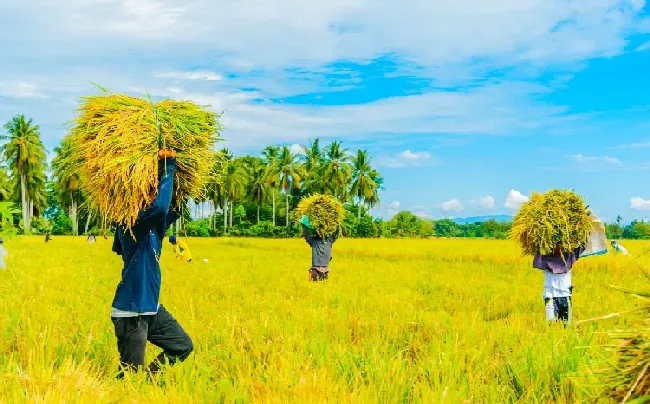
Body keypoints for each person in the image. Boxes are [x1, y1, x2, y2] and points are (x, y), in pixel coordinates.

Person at [110, 149, 193, 379]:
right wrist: (168, 165)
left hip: (152, 309)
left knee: (182, 345)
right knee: (129, 378)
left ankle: (149, 380)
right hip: (131, 313)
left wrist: (185, 178)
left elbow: (173, 208)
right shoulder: (132, 224)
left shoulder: (156, 230)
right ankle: (130, 389)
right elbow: (160, 208)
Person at [533, 246, 584, 326]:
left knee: (566, 325)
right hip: (550, 296)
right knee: (551, 323)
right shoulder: (546, 259)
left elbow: (581, 247)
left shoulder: (568, 258)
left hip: (565, 296)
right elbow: (537, 253)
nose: (559, 247)